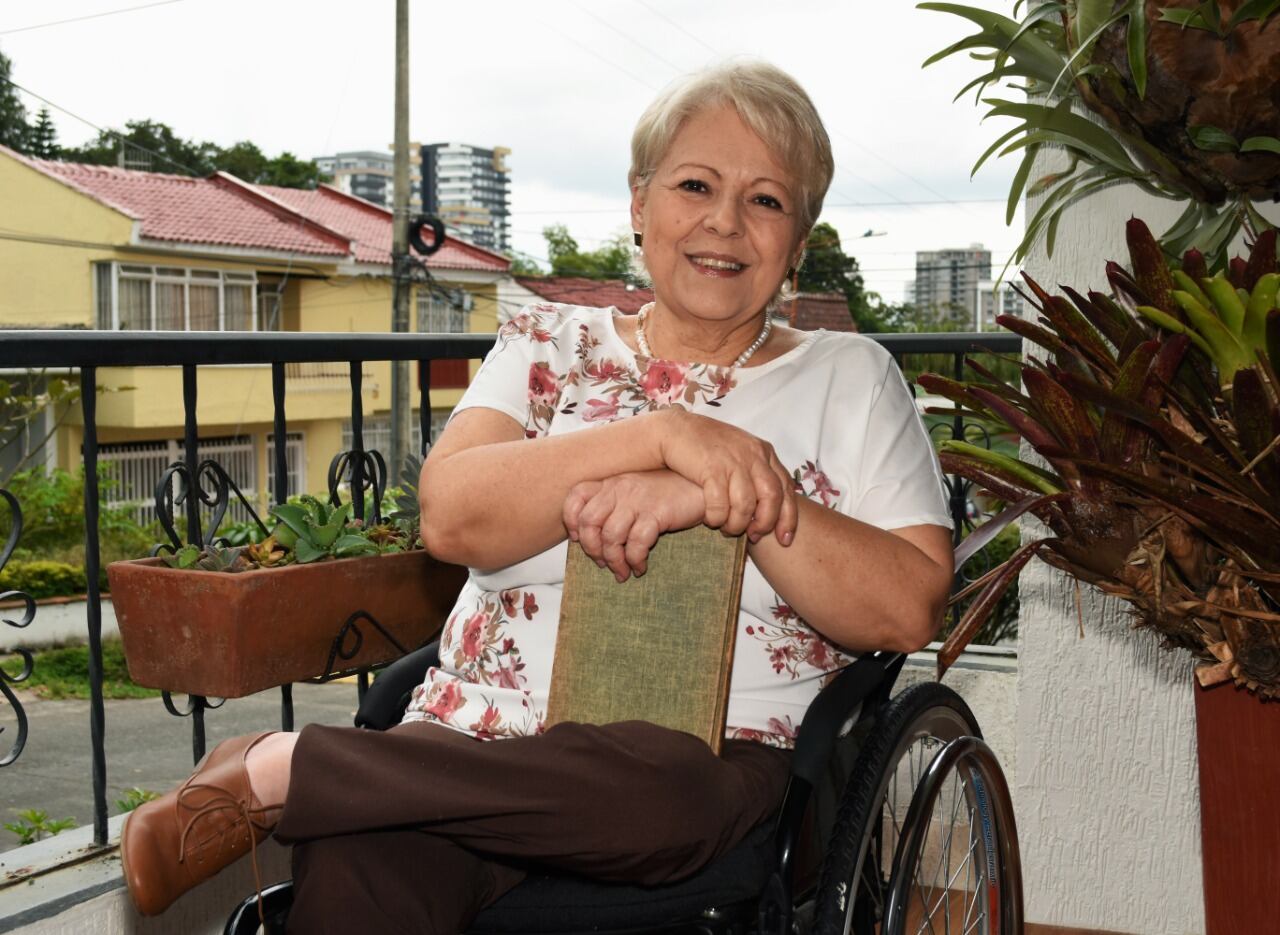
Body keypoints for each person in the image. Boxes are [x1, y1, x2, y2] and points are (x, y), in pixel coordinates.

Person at [119, 60, 954, 932]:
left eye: (767, 200)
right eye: (695, 185)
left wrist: (714, 495)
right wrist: (663, 435)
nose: (724, 222)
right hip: (481, 727)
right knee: (365, 860)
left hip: (711, 753)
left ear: (801, 236)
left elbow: (905, 606)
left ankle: (285, 771)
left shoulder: (850, 376)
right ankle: (331, 781)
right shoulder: (546, 346)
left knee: (652, 801)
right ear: (640, 205)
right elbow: (449, 515)